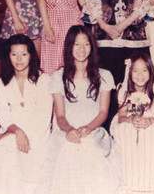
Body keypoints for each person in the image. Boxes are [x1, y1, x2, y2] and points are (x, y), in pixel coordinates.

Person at [49, 25, 119, 194]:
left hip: (93, 130)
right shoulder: (59, 76)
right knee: (71, 148)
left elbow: (103, 112)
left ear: (92, 46)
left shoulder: (104, 75)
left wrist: (88, 128)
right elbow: (60, 115)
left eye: (86, 44)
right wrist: (70, 130)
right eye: (76, 44)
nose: (81, 49)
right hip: (66, 131)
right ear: (69, 47)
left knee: (88, 146)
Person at [0, 34, 53, 194]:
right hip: (12, 132)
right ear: (8, 56)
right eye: (14, 54)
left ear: (31, 56)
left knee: (25, 157)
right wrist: (14, 132)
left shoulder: (44, 80)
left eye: (23, 54)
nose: (19, 59)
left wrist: (23, 134)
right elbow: (4, 116)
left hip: (38, 135)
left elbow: (43, 118)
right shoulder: (2, 83)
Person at [110, 52, 154, 192]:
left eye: (144, 70)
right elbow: (121, 117)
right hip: (131, 120)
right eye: (135, 71)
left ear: (150, 71)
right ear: (130, 72)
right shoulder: (125, 90)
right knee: (128, 131)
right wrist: (132, 119)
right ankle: (133, 177)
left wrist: (151, 121)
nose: (140, 75)